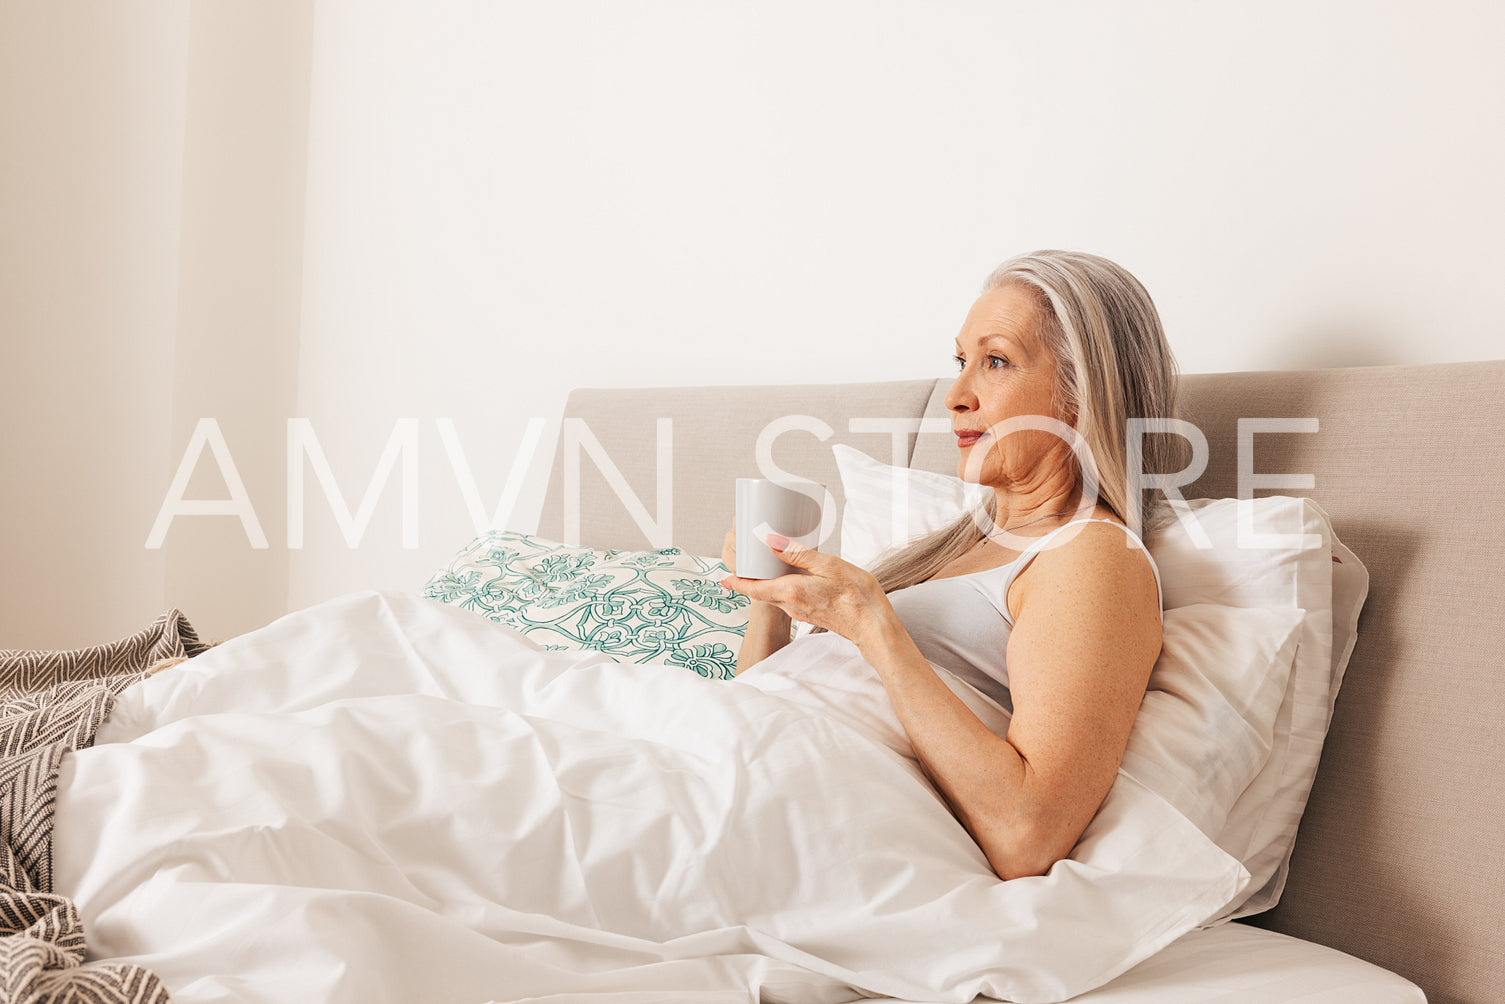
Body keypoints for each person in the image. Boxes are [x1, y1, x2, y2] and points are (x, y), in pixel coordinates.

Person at [720, 249, 1188, 882]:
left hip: (794, 811)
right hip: (735, 755)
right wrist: (769, 603)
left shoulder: (1092, 557)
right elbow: (757, 703)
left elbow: (1028, 834)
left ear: (1084, 394)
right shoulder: (953, 547)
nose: (956, 396)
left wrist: (875, 630)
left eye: (995, 362)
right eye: (961, 361)